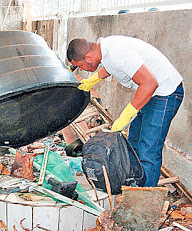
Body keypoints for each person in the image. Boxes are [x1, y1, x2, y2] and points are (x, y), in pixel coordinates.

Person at [67, 35, 184, 187]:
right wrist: (91, 81)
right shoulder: (105, 50)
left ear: (88, 57)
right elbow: (110, 68)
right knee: (133, 144)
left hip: (165, 93)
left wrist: (126, 115)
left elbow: (150, 83)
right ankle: (134, 186)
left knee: (148, 150)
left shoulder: (117, 53)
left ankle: (142, 202)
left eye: (80, 66)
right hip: (150, 93)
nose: (81, 70)